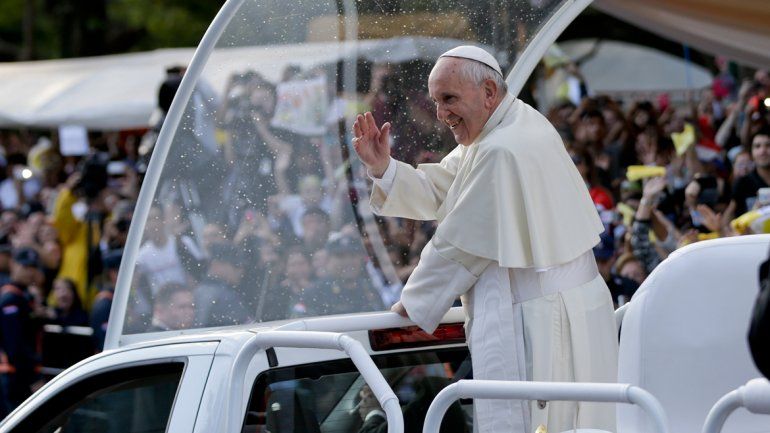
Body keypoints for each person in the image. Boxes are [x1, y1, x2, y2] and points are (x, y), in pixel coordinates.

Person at [353, 46, 617, 433]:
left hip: (543, 322)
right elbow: (444, 187)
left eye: (449, 99)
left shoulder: (501, 148)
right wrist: (384, 169)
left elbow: (460, 245)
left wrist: (415, 302)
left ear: (489, 92)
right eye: (436, 101)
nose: (441, 114)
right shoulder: (508, 125)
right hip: (558, 309)